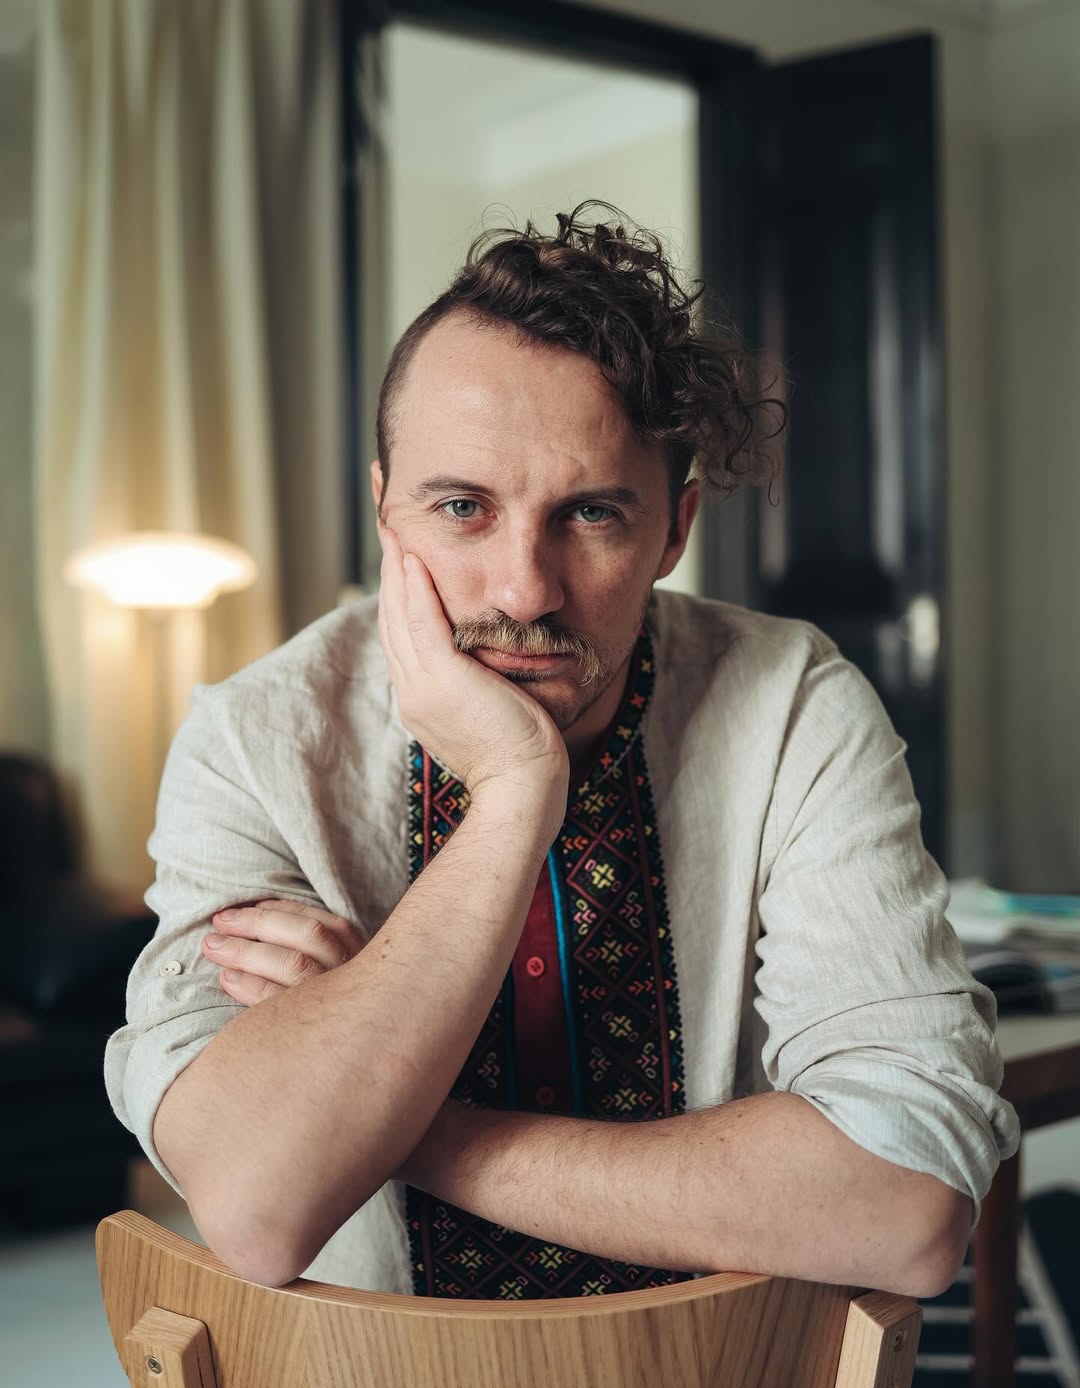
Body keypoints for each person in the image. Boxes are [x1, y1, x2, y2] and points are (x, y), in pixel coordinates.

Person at [105, 202, 1019, 1302]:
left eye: (589, 515)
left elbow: (906, 1207)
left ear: (675, 530)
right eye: (462, 508)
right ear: (386, 511)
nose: (525, 589)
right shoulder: (256, 738)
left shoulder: (791, 703)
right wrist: (516, 793)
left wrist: (397, 1121)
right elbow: (259, 1205)